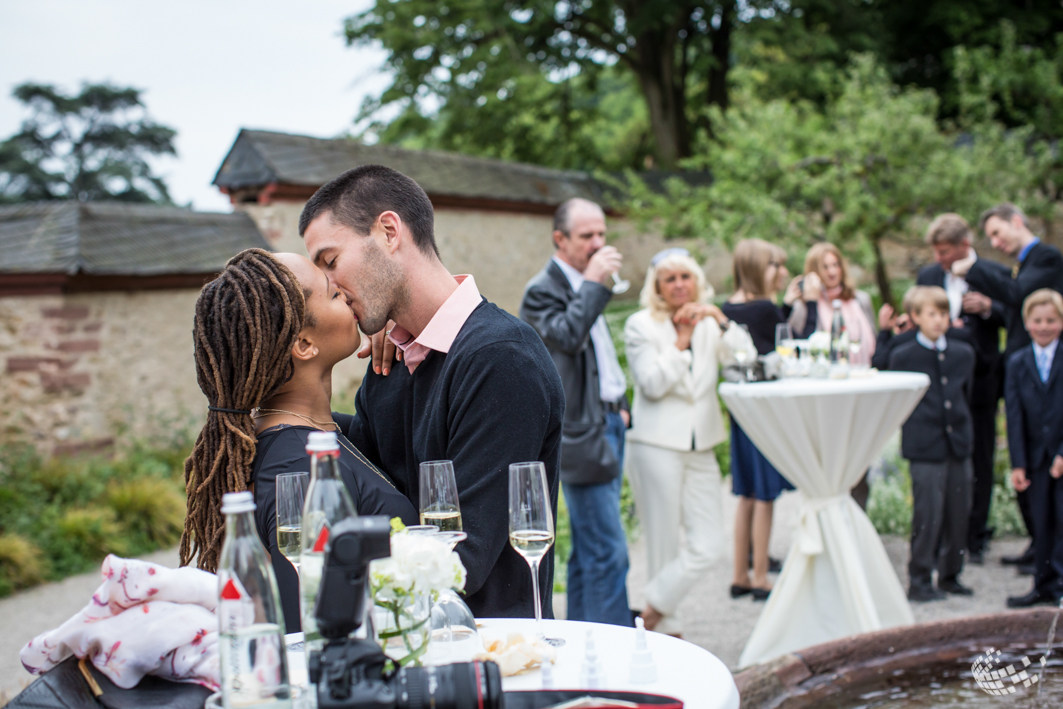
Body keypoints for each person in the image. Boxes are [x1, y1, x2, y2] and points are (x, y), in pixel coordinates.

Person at [300, 165, 565, 619]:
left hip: (492, 653)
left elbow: (463, 559)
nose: (332, 288)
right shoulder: (395, 358)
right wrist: (282, 409)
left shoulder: (501, 359)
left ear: (387, 232)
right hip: (418, 642)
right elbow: (372, 463)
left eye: (330, 261)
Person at [179, 249, 417, 632]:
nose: (344, 288)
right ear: (304, 344)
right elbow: (309, 635)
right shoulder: (301, 471)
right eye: (333, 293)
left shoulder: (321, 435)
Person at [624, 248, 753, 636]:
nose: (679, 284)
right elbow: (651, 383)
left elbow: (747, 360)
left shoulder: (710, 323)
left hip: (702, 446)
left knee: (708, 544)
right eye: (670, 278)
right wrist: (680, 342)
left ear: (697, 281)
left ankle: (652, 612)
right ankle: (670, 634)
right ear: (658, 286)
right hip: (656, 444)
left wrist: (723, 321)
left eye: (686, 277)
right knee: (662, 542)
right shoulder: (640, 325)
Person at [519, 198, 634, 627]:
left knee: (590, 550)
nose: (598, 243)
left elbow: (599, 358)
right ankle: (616, 651)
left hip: (607, 424)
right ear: (560, 239)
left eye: (602, 234)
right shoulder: (542, 291)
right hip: (581, 432)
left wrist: (619, 407)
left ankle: (589, 639)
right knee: (609, 550)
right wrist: (594, 284)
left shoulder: (586, 284)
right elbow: (566, 336)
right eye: (587, 236)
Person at [953, 203, 1063, 571]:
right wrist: (989, 308)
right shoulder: (1024, 266)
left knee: (1046, 457)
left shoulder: (1046, 257)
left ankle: (1050, 552)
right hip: (1019, 371)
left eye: (998, 233)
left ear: (1018, 222)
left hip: (1047, 379)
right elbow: (1014, 314)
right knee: (1024, 458)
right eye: (990, 239)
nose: (996, 243)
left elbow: (1018, 296)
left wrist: (974, 265)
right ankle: (1039, 544)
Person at [721, 238, 820, 599]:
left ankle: (739, 574)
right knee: (764, 496)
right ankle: (761, 574)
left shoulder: (727, 308)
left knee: (746, 494)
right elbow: (793, 345)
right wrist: (802, 305)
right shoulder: (764, 308)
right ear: (755, 268)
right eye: (773, 265)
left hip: (740, 408)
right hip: (764, 412)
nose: (780, 272)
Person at [915, 214, 1005, 565]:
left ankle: (975, 536)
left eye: (945, 251)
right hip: (939, 384)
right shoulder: (928, 277)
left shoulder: (992, 274)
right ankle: (939, 537)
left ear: (965, 245)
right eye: (936, 252)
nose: (940, 258)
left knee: (980, 457)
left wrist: (988, 308)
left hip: (980, 379)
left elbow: (1014, 316)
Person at [886, 286, 976, 602]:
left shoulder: (963, 353)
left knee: (958, 511)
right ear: (915, 317)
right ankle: (920, 579)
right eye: (931, 314)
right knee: (928, 514)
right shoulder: (903, 355)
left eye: (943, 314)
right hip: (925, 447)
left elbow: (967, 395)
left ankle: (951, 574)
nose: (939, 321)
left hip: (958, 445)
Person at [1005, 289, 1063, 608]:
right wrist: (1019, 463)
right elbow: (1013, 414)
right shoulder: (1017, 361)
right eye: (1037, 320)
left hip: (1060, 453)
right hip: (1035, 456)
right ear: (1027, 323)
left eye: (1051, 320)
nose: (1044, 326)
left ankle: (1061, 585)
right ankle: (1042, 584)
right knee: (1040, 521)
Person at [791, 242, 877, 366]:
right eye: (825, 267)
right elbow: (800, 348)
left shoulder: (861, 300)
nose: (832, 272)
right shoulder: (803, 307)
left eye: (835, 265)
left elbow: (875, 339)